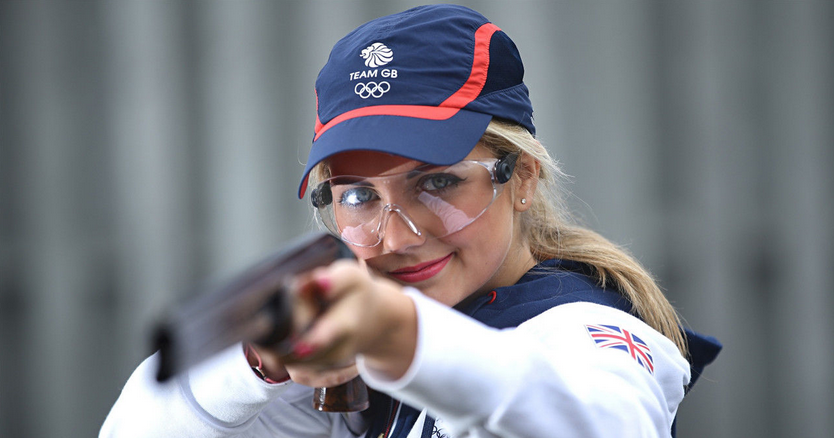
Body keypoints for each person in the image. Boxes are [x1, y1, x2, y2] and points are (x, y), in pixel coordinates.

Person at [100, 4, 721, 438]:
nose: (395, 236)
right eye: (358, 197)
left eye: (438, 182)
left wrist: (403, 336)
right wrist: (260, 363)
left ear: (522, 179)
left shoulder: (584, 324)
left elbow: (607, 423)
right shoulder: (355, 369)